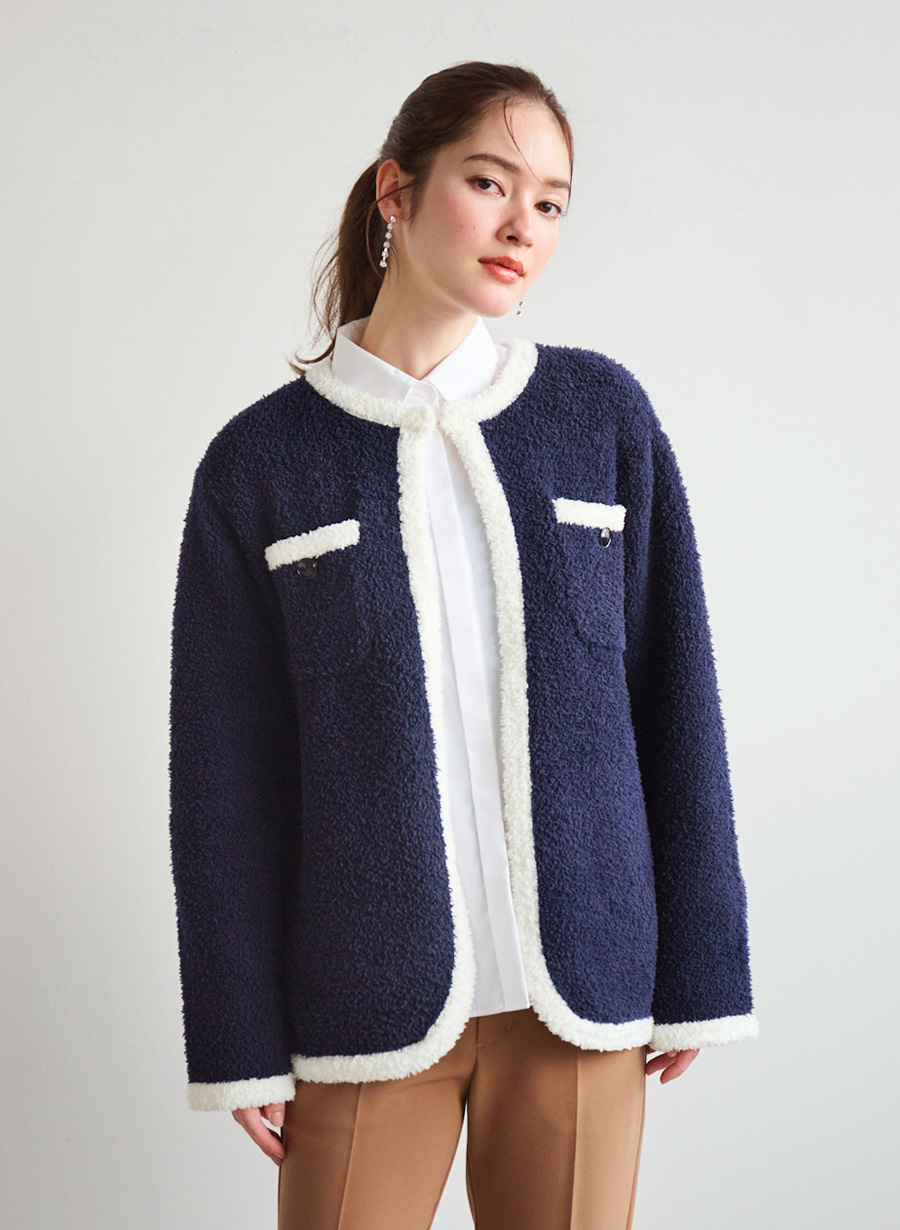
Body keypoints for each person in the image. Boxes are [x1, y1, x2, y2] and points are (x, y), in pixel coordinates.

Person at [168, 60, 759, 1230]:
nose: (522, 226)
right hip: (361, 1006)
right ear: (396, 192)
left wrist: (702, 971)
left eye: (550, 202)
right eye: (489, 183)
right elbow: (224, 778)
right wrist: (239, 1036)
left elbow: (675, 698)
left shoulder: (601, 418)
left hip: (581, 996)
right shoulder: (260, 465)